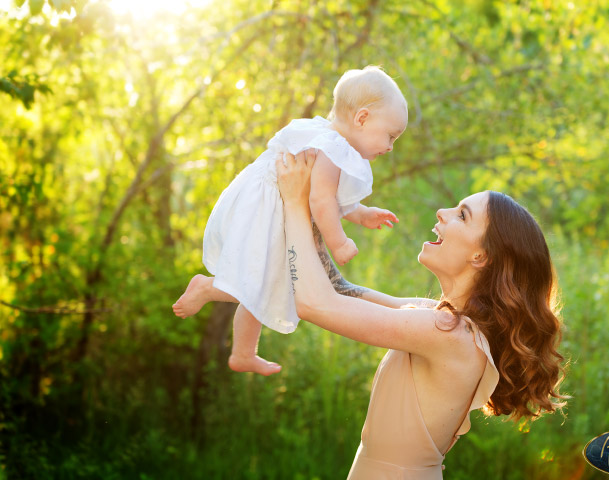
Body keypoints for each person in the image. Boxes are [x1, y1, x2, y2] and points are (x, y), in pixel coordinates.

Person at [276, 149, 567, 478]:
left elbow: (315, 303)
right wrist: (315, 210)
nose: (442, 213)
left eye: (462, 215)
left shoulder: (446, 331)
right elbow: (339, 288)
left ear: (481, 256)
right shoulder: (442, 319)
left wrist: (293, 202)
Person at [172, 66, 408, 375]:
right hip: (271, 213)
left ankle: (243, 353)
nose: (390, 146)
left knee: (263, 283)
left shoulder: (324, 135)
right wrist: (339, 243)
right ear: (362, 119)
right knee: (255, 280)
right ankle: (206, 288)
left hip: (270, 209)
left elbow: (330, 199)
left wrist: (362, 214)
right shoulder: (332, 148)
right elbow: (320, 202)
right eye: (390, 136)